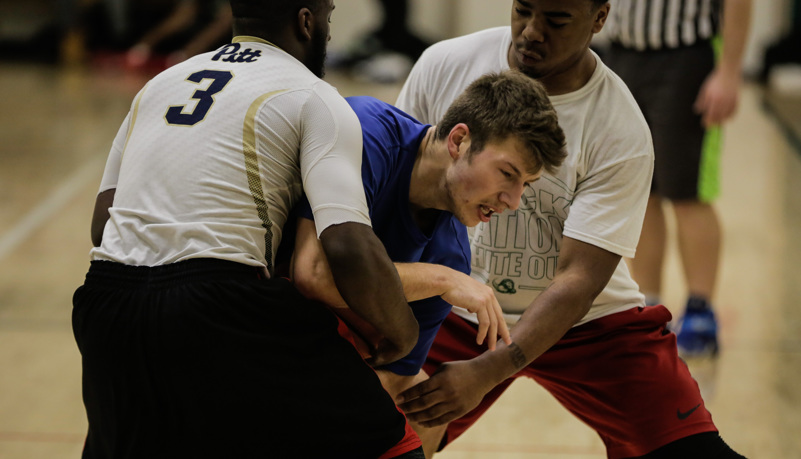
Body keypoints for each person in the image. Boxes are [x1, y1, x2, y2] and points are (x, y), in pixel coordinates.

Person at [73, 1, 427, 457]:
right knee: (390, 444)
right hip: (220, 306)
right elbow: (347, 242)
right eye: (328, 17)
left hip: (106, 306)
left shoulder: (159, 85)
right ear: (306, 21)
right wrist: (402, 333)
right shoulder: (312, 94)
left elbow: (103, 226)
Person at [394, 1, 745, 457]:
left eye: (556, 20)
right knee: (372, 436)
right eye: (523, 10)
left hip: (587, 322)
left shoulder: (620, 124)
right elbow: (400, 192)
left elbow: (579, 281)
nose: (531, 32)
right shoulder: (445, 65)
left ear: (600, 19)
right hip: (454, 308)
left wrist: (488, 370)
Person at [289, 70, 566, 433]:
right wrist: (438, 280)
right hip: (235, 302)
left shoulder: (452, 254)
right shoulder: (366, 132)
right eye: (507, 174)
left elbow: (393, 372)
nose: (513, 202)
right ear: (460, 140)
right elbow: (313, 274)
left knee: (421, 401)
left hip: (304, 350)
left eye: (525, 186)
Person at [603, 0, 753, 357]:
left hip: (686, 57)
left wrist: (729, 71)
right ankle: (649, 308)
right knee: (641, 192)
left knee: (688, 192)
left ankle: (701, 311)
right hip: (623, 55)